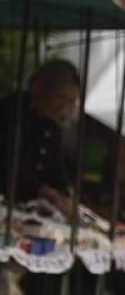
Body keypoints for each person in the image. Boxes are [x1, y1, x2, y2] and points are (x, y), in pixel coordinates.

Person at [0, 59, 81, 215]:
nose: (64, 106)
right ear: (42, 90)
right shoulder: (14, 112)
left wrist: (65, 190)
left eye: (70, 100)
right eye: (60, 97)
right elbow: (10, 165)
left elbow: (55, 165)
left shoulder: (53, 123)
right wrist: (47, 192)